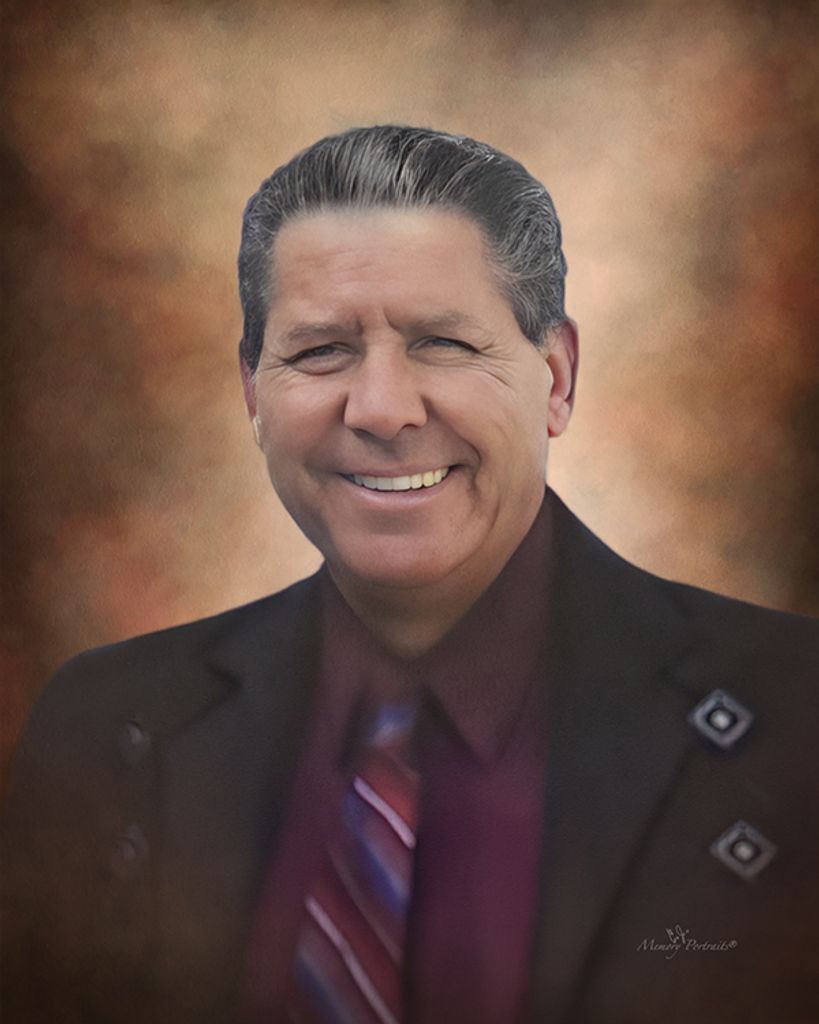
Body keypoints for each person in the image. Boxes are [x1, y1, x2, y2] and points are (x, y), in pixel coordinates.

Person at [3, 126, 818, 1024]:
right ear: (253, 394)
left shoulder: (796, 717)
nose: (382, 409)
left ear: (555, 378)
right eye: (320, 350)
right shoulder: (106, 727)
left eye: (442, 343)